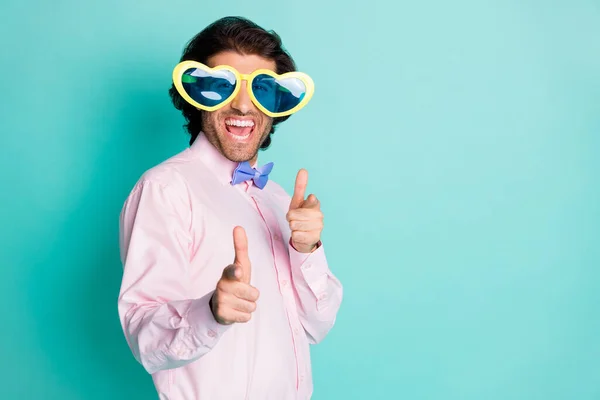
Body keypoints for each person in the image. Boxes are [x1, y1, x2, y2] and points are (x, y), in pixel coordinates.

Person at [117, 16, 343, 400]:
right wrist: (210, 311)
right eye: (222, 87)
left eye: (261, 90)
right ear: (196, 94)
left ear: (276, 105)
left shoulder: (279, 200)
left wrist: (307, 252)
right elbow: (144, 334)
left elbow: (317, 326)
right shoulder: (166, 189)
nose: (242, 104)